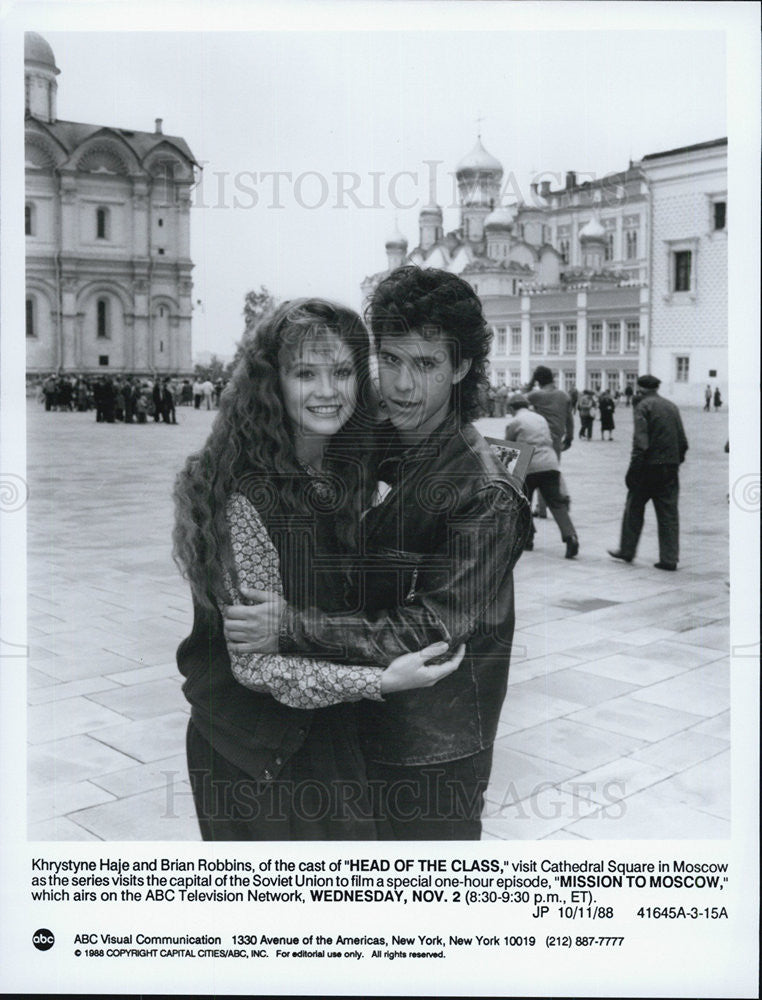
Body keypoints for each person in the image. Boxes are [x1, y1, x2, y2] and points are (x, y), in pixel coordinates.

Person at [226, 267, 531, 840]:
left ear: (462, 367)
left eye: (426, 364)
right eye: (391, 360)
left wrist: (289, 627)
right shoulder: (378, 442)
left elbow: (429, 627)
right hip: (354, 724)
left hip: (428, 752)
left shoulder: (486, 491)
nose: (403, 385)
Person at [173, 298, 464, 841]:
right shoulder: (244, 494)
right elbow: (257, 668)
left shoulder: (343, 468)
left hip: (328, 726)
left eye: (343, 372)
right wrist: (380, 680)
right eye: (305, 373)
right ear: (272, 383)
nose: (328, 391)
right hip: (256, 752)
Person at [608, 374, 688, 571]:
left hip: (648, 468)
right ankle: (669, 558)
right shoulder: (671, 406)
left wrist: (633, 471)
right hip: (669, 467)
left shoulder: (643, 407)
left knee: (633, 508)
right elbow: (683, 442)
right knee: (668, 513)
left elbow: (641, 444)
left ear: (640, 389)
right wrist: (673, 463)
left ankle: (627, 550)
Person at [505, 393, 578, 558]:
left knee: (523, 505)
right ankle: (570, 537)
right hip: (550, 463)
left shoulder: (514, 422)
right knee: (556, 503)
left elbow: (509, 449)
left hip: (529, 466)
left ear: (511, 408)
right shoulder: (540, 419)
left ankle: (527, 539)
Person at [526, 366, 574, 518]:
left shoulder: (537, 395)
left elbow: (516, 400)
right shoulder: (564, 395)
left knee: (539, 470)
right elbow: (569, 418)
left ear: (538, 380)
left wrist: (531, 383)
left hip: (540, 438)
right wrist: (570, 437)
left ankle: (545, 507)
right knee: (551, 470)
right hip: (557, 438)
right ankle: (542, 507)